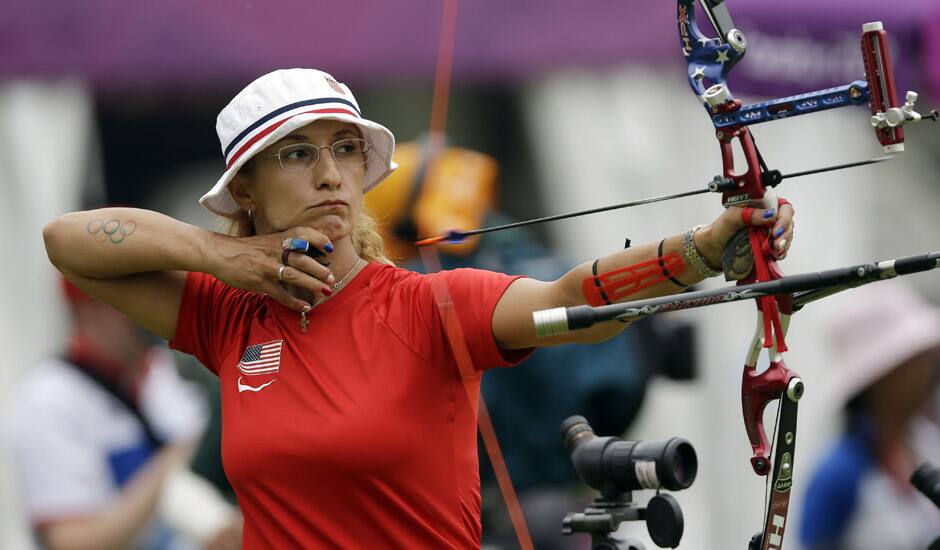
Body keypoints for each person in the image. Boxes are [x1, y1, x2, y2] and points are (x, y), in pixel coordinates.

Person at [41, 68, 794, 548]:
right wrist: (221, 256)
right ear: (246, 190)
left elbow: (571, 301)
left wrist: (702, 250)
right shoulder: (226, 317)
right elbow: (67, 240)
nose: (331, 174)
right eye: (298, 154)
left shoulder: (429, 306)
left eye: (344, 151)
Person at [6, 278, 207, 549]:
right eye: (132, 300)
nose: (151, 312)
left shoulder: (165, 372)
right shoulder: (48, 399)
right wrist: (179, 458)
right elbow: (72, 543)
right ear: (88, 309)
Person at [800, 283, 940, 550]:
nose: (930, 370)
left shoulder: (928, 441)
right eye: (917, 360)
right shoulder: (838, 474)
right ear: (884, 377)